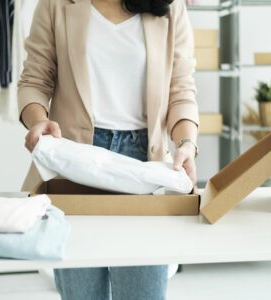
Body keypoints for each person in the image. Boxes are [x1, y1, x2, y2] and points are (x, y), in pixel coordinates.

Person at [18, 0, 199, 299]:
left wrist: (186, 143)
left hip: (144, 166)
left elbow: (181, 89)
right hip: (74, 164)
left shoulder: (170, 6)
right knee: (81, 293)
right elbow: (34, 80)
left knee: (144, 291)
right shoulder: (56, 4)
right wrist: (38, 121)